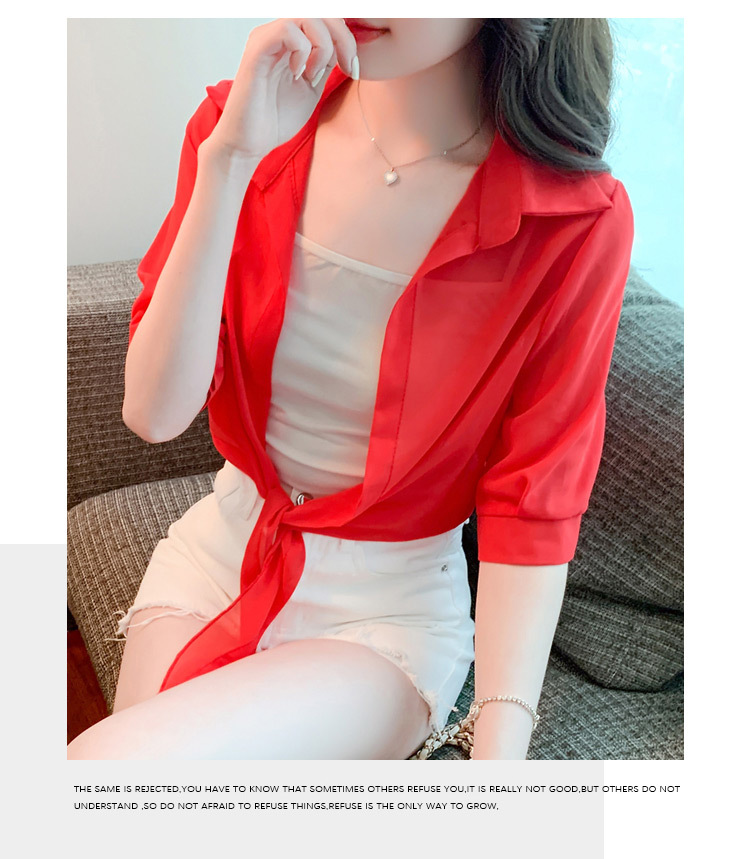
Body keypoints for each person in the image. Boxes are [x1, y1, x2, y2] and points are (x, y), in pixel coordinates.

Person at [68, 18, 634, 760]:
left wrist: (501, 759)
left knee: (107, 768)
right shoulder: (244, 123)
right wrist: (231, 159)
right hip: (219, 555)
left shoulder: (573, 218)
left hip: (385, 612)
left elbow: (533, 495)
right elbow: (153, 412)